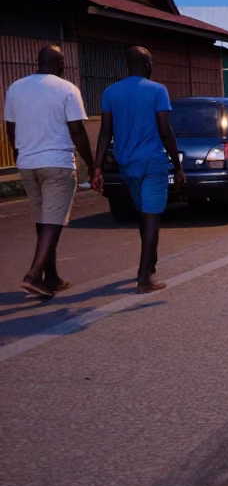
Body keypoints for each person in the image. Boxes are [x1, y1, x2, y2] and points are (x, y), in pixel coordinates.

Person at [90, 46, 185, 294]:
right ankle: (143, 277)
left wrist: (97, 167)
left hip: (127, 164)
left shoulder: (111, 92)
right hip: (153, 162)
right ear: (146, 65)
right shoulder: (157, 91)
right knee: (152, 217)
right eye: (151, 62)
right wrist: (177, 165)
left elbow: (105, 132)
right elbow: (165, 131)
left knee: (144, 214)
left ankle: (150, 263)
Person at [4, 45, 94, 298]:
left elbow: (10, 128)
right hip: (57, 164)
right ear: (61, 63)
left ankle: (51, 277)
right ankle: (33, 276)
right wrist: (93, 164)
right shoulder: (67, 89)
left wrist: (20, 153)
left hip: (28, 164)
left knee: (44, 220)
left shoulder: (16, 88)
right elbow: (77, 131)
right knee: (53, 222)